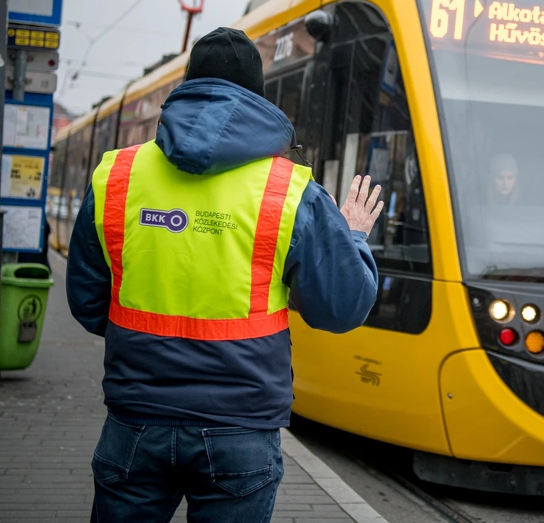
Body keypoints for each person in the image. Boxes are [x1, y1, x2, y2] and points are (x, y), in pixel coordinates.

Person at [66, 28, 383, 523]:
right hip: (240, 432)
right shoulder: (291, 191)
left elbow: (87, 304)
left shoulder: (118, 176)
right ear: (258, 96)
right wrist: (354, 236)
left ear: (187, 86)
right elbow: (342, 308)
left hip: (136, 421)